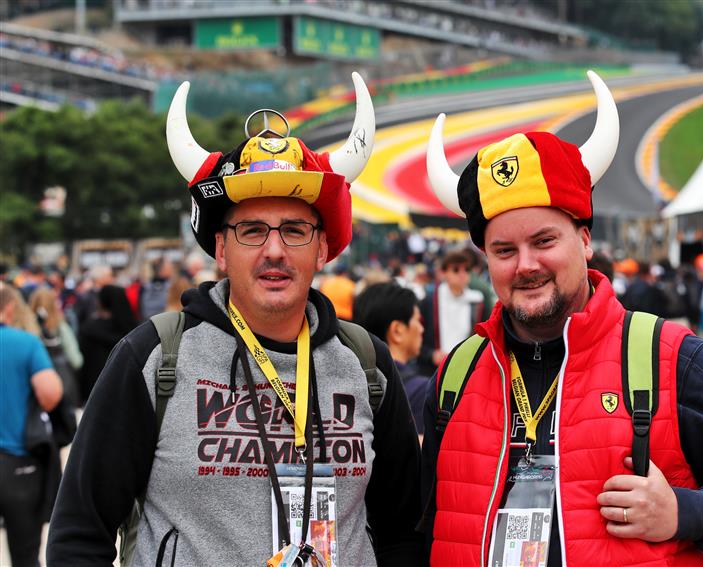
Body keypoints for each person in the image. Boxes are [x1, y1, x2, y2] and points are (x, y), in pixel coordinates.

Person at [419, 71, 703, 566]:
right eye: (504, 250)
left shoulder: (669, 356)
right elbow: (414, 532)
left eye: (544, 241)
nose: (526, 265)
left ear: (584, 241)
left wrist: (685, 512)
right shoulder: (456, 375)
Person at [48, 73, 424, 566]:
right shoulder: (154, 358)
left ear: (323, 246)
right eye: (251, 230)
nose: (273, 251)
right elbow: (79, 533)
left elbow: (404, 535)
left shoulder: (367, 366)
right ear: (221, 248)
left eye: (294, 230)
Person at [0, 282, 63, 567]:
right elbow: (50, 393)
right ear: (9, 308)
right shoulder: (24, 343)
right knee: (25, 555)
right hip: (17, 462)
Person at [354, 282, 428, 436]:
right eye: (417, 320)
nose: (421, 329)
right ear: (397, 331)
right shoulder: (420, 390)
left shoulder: (350, 380)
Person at [418, 249, 485, 376]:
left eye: (467, 270)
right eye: (456, 270)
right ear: (444, 273)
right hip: (433, 371)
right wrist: (431, 354)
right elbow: (417, 339)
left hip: (464, 371)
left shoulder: (477, 301)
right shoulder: (430, 300)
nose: (462, 274)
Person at [77, 284, 138, 404]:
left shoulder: (89, 329)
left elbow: (82, 362)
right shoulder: (134, 333)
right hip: (125, 391)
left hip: (94, 390)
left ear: (101, 302)